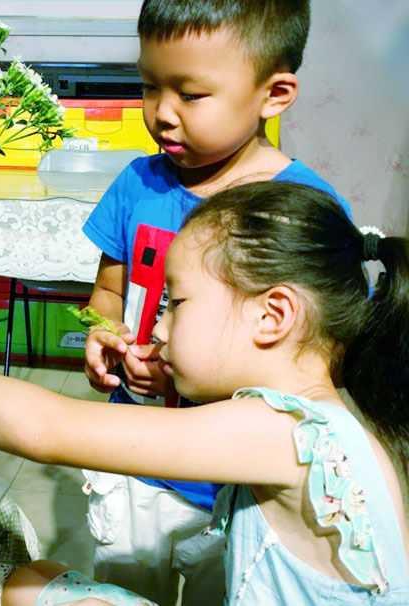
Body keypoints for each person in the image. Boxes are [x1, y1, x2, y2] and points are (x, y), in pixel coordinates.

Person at [0, 181, 409, 605]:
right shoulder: (341, 416)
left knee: (26, 588)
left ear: (272, 316)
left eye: (178, 302)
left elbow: (44, 429)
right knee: (36, 582)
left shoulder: (282, 431)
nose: (159, 324)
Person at [80, 1, 351, 603]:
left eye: (192, 94)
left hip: (236, 481)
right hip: (134, 461)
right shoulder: (136, 184)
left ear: (273, 94)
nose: (162, 114)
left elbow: (312, 366)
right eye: (150, 86)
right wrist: (103, 338)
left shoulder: (300, 208)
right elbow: (108, 291)